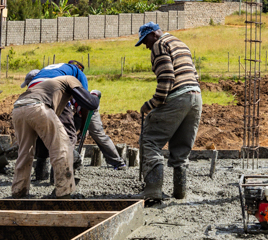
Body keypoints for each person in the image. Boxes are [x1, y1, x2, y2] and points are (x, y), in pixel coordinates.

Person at [136, 21, 202, 205]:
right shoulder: (180, 43)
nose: (145, 45)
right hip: (195, 97)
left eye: (145, 41)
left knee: (150, 140)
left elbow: (167, 77)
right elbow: (195, 75)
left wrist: (152, 104)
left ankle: (153, 190)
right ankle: (180, 193)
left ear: (154, 35)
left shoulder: (159, 45)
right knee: (181, 147)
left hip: (178, 96)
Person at [10, 73, 99, 198]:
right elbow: (91, 103)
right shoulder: (71, 79)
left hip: (18, 108)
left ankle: (19, 192)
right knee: (63, 147)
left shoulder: (49, 85)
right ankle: (64, 192)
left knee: (25, 152)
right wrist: (94, 95)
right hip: (37, 106)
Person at [29, 60, 125, 171]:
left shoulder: (74, 76)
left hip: (87, 111)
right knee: (64, 133)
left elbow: (86, 105)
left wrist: (84, 129)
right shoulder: (65, 78)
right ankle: (63, 166)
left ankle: (118, 162)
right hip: (71, 109)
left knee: (98, 135)